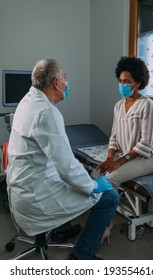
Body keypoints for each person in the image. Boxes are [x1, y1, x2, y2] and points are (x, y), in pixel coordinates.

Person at [6, 58, 119, 260]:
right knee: (110, 197)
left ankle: (60, 230)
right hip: (36, 197)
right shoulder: (47, 112)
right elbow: (67, 167)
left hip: (20, 188)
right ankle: (81, 256)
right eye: (66, 77)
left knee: (70, 181)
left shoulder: (27, 101)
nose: (68, 83)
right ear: (57, 83)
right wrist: (93, 185)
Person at [96, 56, 153, 187]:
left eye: (126, 81)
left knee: (110, 179)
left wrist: (119, 161)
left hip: (146, 158)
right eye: (120, 81)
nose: (121, 85)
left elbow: (146, 143)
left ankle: (108, 207)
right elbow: (114, 136)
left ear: (138, 83)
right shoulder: (118, 105)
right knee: (96, 173)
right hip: (126, 155)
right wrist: (109, 158)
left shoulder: (147, 105)